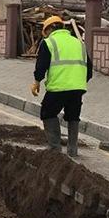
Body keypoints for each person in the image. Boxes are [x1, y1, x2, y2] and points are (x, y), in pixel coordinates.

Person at [30, 16, 93, 157]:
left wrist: (37, 81)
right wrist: (79, 82)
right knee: (73, 116)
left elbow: (41, 66)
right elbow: (89, 69)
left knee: (48, 113)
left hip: (58, 86)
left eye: (45, 32)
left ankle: (54, 149)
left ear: (49, 29)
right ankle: (72, 150)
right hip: (78, 87)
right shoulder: (78, 43)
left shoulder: (49, 42)